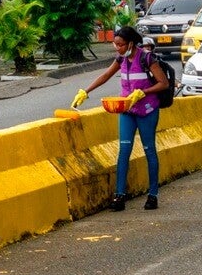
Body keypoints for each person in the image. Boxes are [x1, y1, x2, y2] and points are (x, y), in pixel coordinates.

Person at [71, 26, 170, 211]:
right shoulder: (121, 59)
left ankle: (153, 194)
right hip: (127, 110)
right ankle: (119, 195)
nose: (117, 48)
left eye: (120, 44)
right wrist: (86, 91)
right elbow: (106, 75)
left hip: (147, 109)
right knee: (124, 150)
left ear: (130, 43)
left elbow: (163, 83)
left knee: (149, 150)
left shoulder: (146, 58)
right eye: (115, 44)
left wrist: (144, 92)